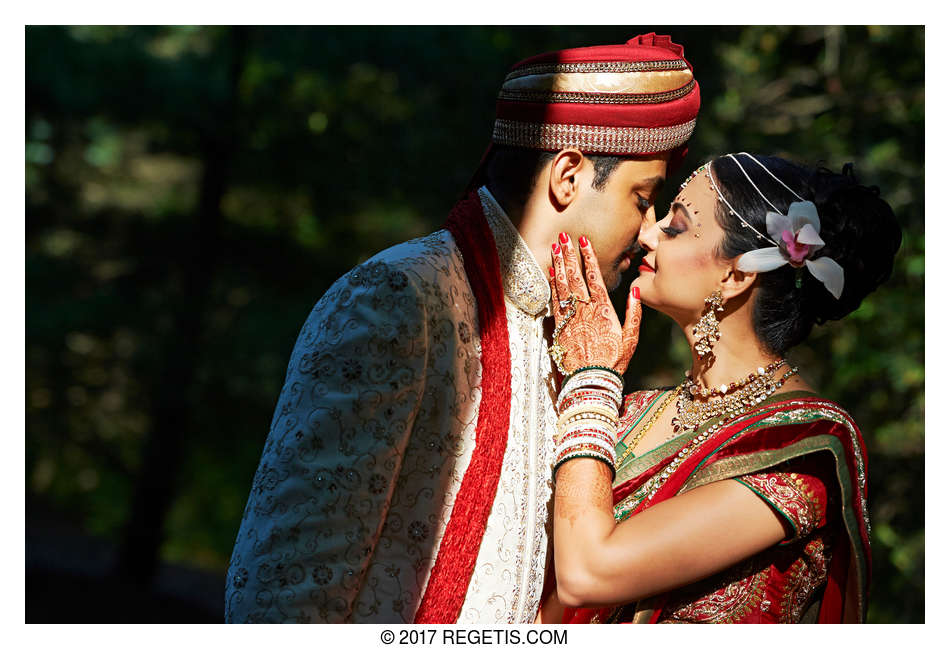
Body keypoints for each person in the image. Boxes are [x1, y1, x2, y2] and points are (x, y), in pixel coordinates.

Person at [225, 33, 701, 623]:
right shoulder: (402, 297)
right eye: (642, 198)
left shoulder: (561, 335)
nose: (649, 230)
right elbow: (284, 591)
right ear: (570, 176)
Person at [539, 152, 900, 623]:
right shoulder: (635, 410)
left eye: (675, 226)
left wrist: (591, 377)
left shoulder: (801, 446)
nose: (648, 234)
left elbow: (588, 574)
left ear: (736, 275)